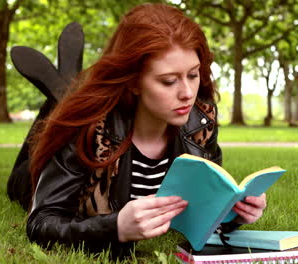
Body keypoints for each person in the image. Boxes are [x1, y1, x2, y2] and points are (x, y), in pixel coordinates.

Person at [27, 3, 267, 258]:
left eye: (194, 75)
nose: (187, 93)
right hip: (37, 166)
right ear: (133, 82)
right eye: (169, 81)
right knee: (31, 163)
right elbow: (41, 222)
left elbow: (201, 207)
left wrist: (234, 211)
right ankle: (60, 92)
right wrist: (116, 227)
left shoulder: (200, 122)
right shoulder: (85, 129)